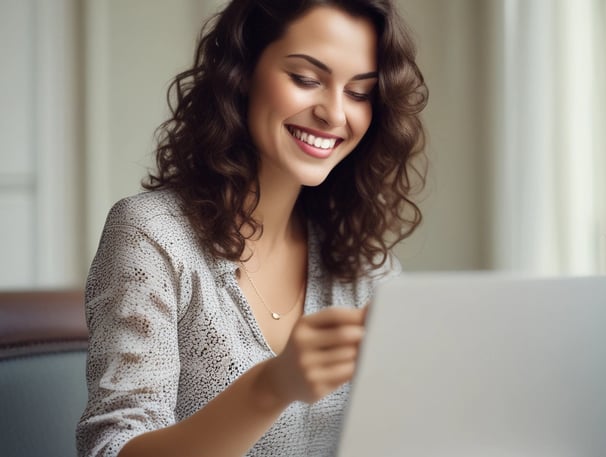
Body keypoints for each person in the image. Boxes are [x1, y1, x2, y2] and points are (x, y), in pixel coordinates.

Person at [76, 0, 427, 455]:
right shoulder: (152, 236)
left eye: (359, 93)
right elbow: (112, 449)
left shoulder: (365, 268)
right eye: (305, 79)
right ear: (241, 75)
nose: (335, 114)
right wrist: (270, 387)